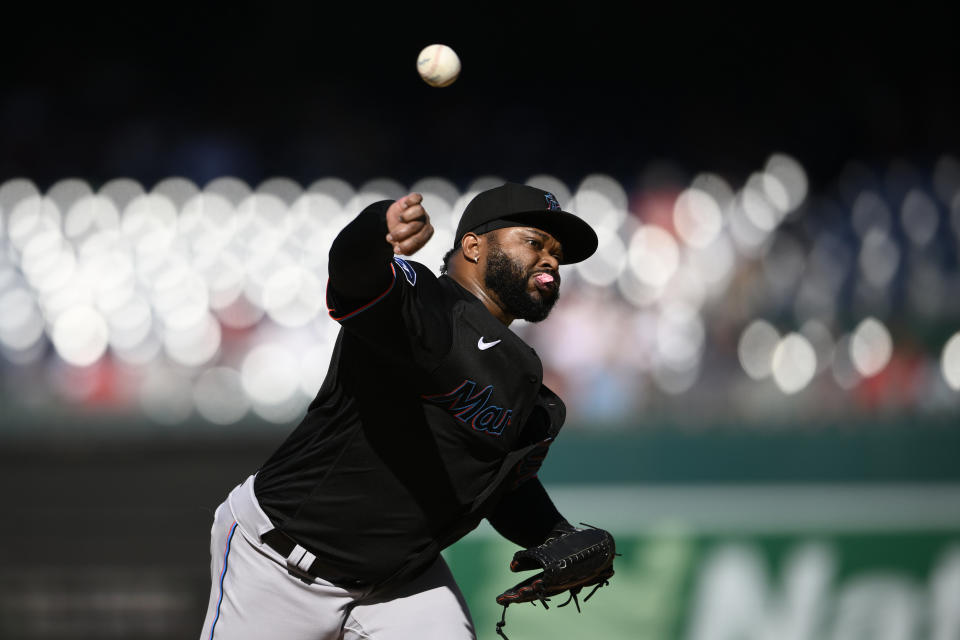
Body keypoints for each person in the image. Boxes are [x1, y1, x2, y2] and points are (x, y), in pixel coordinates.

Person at [199, 182, 600, 639]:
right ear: (473, 246)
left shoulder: (522, 374)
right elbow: (354, 276)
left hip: (399, 580)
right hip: (282, 561)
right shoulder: (424, 302)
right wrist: (378, 226)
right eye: (534, 241)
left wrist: (556, 534)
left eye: (557, 253)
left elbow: (500, 486)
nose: (551, 259)